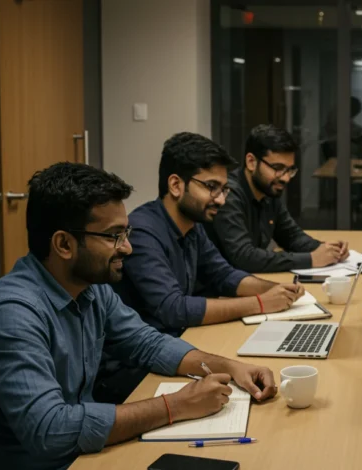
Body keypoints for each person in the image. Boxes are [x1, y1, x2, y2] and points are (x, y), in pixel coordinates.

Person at [0, 163, 278, 470]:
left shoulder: (89, 288)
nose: (127, 248)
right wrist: (176, 405)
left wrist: (231, 366)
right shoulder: (13, 312)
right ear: (64, 244)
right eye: (114, 236)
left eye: (125, 232)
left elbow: (147, 343)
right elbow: (51, 430)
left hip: (90, 453)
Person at [102, 133, 302, 403]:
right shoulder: (142, 232)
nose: (220, 199)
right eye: (211, 187)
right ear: (175, 185)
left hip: (177, 348)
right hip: (135, 370)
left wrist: (277, 290)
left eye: (224, 189)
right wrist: (260, 303)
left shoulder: (191, 226)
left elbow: (224, 275)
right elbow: (174, 309)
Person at [206, 124, 351, 273]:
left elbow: (292, 236)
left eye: (290, 170)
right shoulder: (228, 194)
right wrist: (311, 259)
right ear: (251, 162)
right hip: (219, 289)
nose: (286, 178)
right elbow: (244, 257)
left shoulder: (268, 190)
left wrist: (326, 249)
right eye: (277, 168)